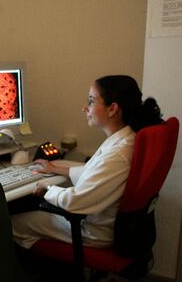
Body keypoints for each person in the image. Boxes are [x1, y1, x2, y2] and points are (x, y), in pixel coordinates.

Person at [11, 75, 163, 249]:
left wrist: (47, 188)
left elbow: (74, 202)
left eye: (91, 101)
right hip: (97, 221)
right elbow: (98, 172)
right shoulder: (124, 139)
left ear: (112, 109)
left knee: (12, 222)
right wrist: (59, 170)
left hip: (91, 231)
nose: (85, 108)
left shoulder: (118, 154)